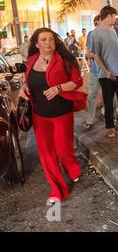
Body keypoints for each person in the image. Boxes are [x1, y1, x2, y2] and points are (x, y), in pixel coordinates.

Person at [19, 28, 87, 203]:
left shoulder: (64, 59)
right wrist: (24, 88)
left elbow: (77, 81)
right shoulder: (32, 60)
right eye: (43, 40)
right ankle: (57, 189)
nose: (48, 43)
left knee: (63, 150)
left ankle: (72, 167)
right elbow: (29, 81)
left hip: (61, 113)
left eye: (51, 39)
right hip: (39, 115)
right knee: (47, 154)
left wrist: (58, 88)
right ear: (36, 43)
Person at [88, 6, 118, 138]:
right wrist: (106, 71)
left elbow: (115, 51)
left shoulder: (112, 31)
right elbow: (96, 55)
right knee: (108, 102)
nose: (116, 20)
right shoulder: (95, 34)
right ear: (109, 15)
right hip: (106, 75)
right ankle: (110, 127)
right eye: (115, 17)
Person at [82, 15, 101, 131]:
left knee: (111, 95)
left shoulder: (110, 33)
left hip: (109, 70)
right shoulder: (91, 34)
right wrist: (91, 56)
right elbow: (88, 52)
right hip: (95, 70)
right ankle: (90, 119)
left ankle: (113, 116)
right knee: (91, 95)